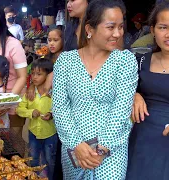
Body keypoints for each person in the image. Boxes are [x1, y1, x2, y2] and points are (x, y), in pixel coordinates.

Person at [53, 0, 138, 179]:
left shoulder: (125, 61)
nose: (118, 33)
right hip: (74, 150)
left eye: (121, 27)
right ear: (90, 29)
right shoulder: (65, 62)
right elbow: (60, 107)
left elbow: (121, 109)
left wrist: (101, 149)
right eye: (110, 27)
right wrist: (77, 145)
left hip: (111, 151)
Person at [127, 2, 169, 179]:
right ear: (152, 30)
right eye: (163, 27)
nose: (168, 34)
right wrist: (134, 94)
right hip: (142, 142)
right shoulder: (140, 61)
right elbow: (120, 90)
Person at [17, 58, 57, 180]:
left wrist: (51, 114)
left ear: (49, 75)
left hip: (50, 134)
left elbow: (60, 108)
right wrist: (30, 112)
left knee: (49, 159)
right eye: (33, 73)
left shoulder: (54, 93)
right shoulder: (30, 93)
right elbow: (19, 109)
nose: (34, 77)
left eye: (39, 74)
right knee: (33, 157)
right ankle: (33, 176)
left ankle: (49, 177)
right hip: (33, 133)